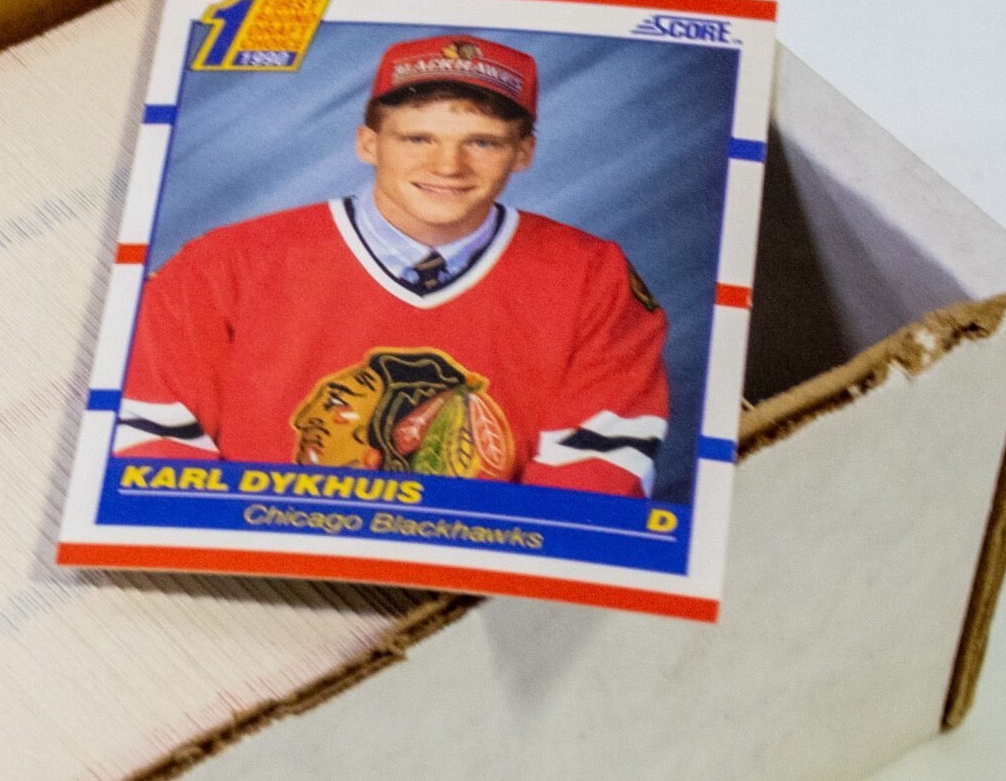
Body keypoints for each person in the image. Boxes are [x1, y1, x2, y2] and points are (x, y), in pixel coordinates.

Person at [117, 35, 670, 495]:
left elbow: (599, 466)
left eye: (482, 142)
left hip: (474, 568)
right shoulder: (226, 261)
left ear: (523, 153)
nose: (448, 165)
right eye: (418, 138)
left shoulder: (593, 274)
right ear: (368, 143)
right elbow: (153, 436)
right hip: (255, 555)